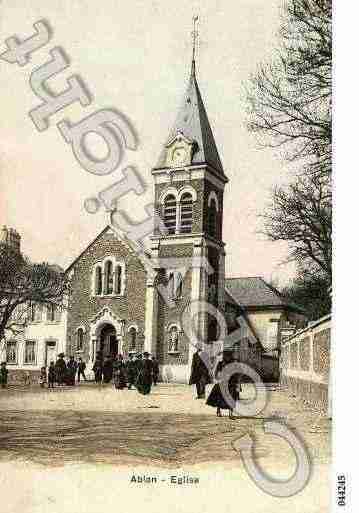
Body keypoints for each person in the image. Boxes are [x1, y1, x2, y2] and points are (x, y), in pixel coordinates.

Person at [206, 351, 242, 419]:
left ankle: (230, 414)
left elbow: (237, 374)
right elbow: (217, 372)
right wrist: (218, 378)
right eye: (226, 356)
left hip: (231, 383)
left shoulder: (234, 363)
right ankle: (218, 411)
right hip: (222, 382)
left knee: (231, 398)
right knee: (220, 398)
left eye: (229, 356)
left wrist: (238, 384)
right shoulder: (221, 363)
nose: (227, 357)